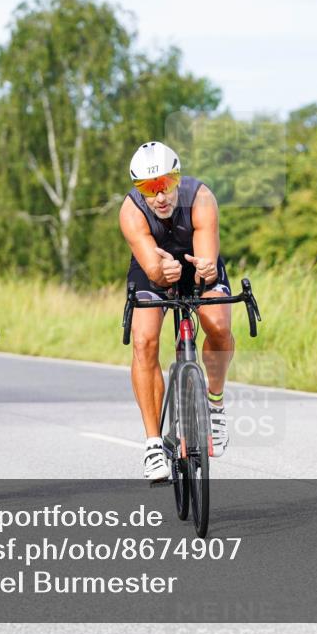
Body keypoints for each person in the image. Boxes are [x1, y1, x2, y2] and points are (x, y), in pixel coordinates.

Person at [118, 142, 235, 481]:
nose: (160, 196)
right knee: (144, 341)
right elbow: (153, 270)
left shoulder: (200, 197)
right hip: (153, 267)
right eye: (149, 189)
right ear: (139, 189)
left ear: (177, 179)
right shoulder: (131, 211)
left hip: (198, 259)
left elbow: (207, 261)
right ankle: (154, 443)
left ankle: (215, 406)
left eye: (166, 184)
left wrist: (206, 270)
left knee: (217, 325)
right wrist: (160, 272)